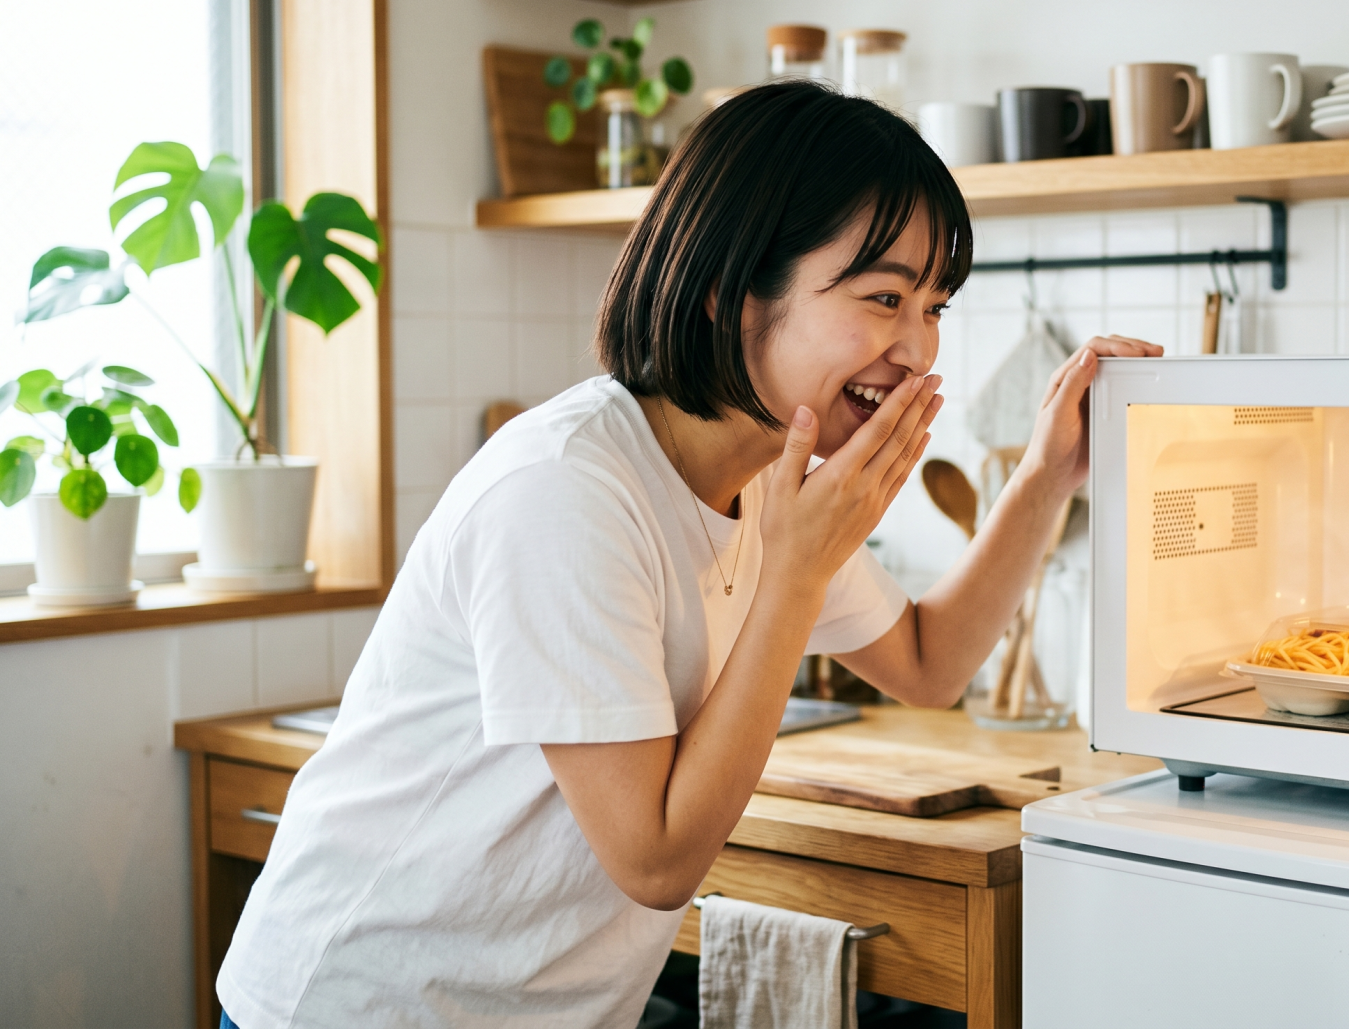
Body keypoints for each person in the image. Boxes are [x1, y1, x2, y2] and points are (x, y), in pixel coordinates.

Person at [214, 80, 1161, 1027]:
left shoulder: (766, 478)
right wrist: (792, 575)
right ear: (727, 289)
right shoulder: (567, 489)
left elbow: (926, 663)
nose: (917, 348)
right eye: (883, 298)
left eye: (935, 306)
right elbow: (656, 861)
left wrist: (1044, 476)